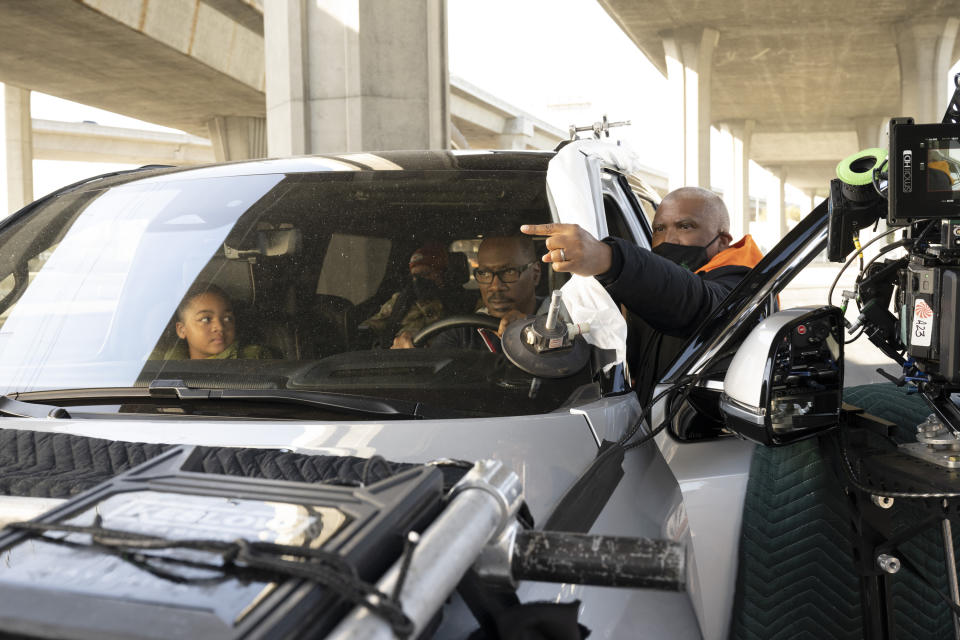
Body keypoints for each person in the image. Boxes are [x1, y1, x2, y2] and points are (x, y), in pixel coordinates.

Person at [521, 186, 763, 403]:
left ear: (722, 241)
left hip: (702, 441)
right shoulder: (644, 295)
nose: (668, 239)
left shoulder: (747, 286)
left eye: (685, 226)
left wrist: (611, 259)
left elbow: (702, 306)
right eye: (659, 229)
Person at [426, 235, 541, 351]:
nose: (495, 286)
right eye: (485, 273)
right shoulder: (461, 334)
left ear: (535, 275)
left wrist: (536, 328)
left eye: (509, 272)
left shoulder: (558, 322)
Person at [362, 245, 455, 349]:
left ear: (441, 274)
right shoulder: (400, 301)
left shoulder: (458, 303)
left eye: (425, 274)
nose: (417, 280)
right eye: (414, 276)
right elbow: (376, 323)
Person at [165, 283, 272, 360]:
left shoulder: (253, 360)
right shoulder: (162, 368)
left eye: (227, 318)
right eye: (205, 319)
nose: (219, 327)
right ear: (181, 330)